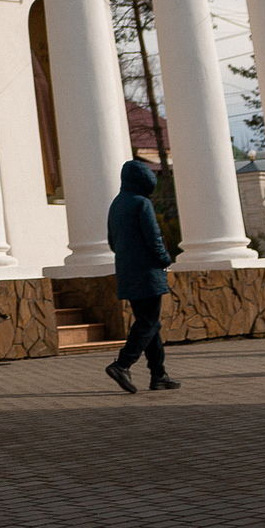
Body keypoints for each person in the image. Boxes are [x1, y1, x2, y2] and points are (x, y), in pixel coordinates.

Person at [104, 158, 180, 393]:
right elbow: (154, 236)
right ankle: (122, 364)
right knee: (148, 322)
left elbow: (112, 242)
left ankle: (159, 375)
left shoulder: (116, 204)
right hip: (147, 272)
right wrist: (165, 259)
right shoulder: (142, 203)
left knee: (149, 324)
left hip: (127, 271)